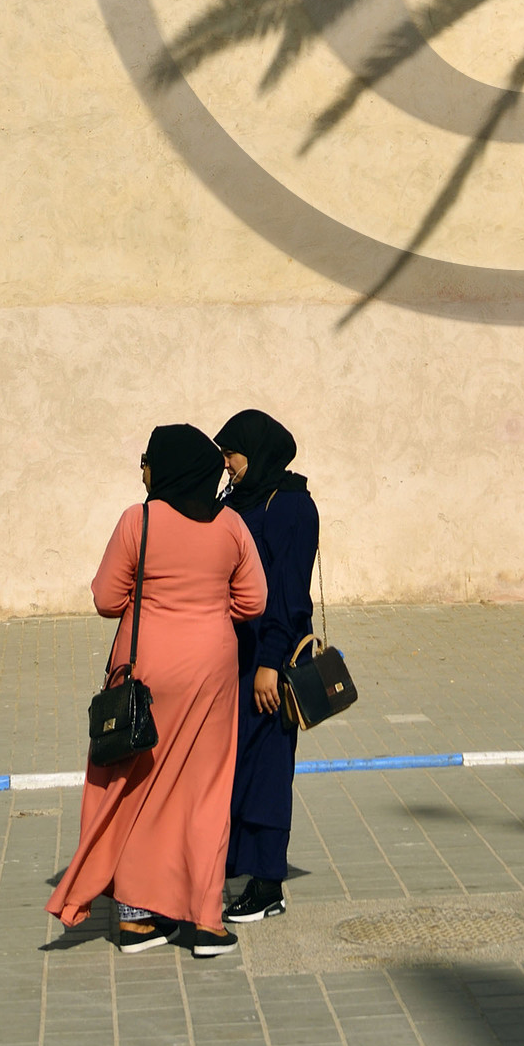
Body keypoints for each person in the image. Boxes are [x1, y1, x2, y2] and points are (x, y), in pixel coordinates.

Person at [47, 424, 266, 958]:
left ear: (167, 467)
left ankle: (136, 917)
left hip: (146, 669)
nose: (142, 469)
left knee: (135, 784)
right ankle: (207, 922)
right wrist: (209, 614)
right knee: (205, 792)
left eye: (147, 459)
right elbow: (254, 601)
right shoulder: (232, 524)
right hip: (212, 670)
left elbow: (105, 598)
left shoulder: (137, 521)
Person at [214, 408, 320, 924]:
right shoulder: (241, 499)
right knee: (237, 766)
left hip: (267, 662)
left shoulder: (293, 507)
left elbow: (289, 593)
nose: (227, 465)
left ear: (257, 452)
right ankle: (238, 866)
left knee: (268, 769)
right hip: (233, 656)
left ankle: (267, 883)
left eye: (232, 454)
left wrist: (271, 664)